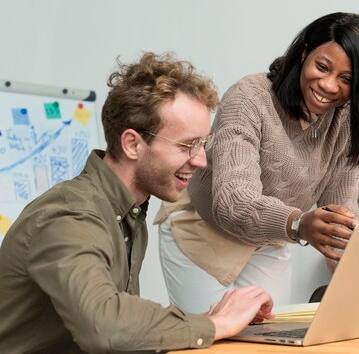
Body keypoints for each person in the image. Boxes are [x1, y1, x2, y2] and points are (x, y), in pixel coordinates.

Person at [0, 52, 274, 354]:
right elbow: (103, 327)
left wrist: (209, 321)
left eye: (203, 144)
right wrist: (217, 324)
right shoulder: (69, 216)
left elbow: (120, 327)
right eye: (187, 145)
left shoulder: (128, 214)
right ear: (132, 144)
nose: (201, 160)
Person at [156, 12, 359, 312]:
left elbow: (341, 207)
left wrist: (341, 251)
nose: (329, 85)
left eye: (346, 79)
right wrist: (300, 224)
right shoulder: (249, 98)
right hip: (203, 234)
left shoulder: (346, 119)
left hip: (271, 239)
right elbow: (233, 202)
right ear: (304, 54)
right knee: (208, 338)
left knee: (269, 339)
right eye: (322, 67)